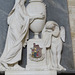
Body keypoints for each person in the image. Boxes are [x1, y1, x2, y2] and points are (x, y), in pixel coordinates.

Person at [0, 0, 44, 71]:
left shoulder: (22, 7)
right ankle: (5, 60)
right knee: (18, 44)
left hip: (19, 27)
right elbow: (25, 18)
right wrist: (37, 16)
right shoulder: (18, 6)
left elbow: (26, 18)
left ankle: (14, 64)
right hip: (14, 27)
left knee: (15, 44)